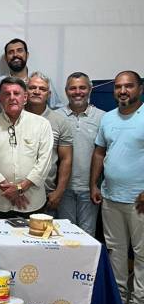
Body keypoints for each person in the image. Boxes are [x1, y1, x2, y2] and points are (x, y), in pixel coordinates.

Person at [90, 70, 144, 304]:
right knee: (116, 251)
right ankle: (119, 298)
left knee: (141, 253)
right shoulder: (108, 118)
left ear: (139, 89)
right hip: (111, 197)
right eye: (119, 87)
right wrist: (94, 184)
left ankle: (139, 302)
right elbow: (99, 153)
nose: (123, 91)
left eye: (128, 86)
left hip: (139, 200)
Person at [0, 77, 53, 218]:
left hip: (32, 201)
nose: (12, 97)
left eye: (16, 93)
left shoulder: (42, 124)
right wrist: (9, 191)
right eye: (7, 94)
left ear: (25, 98)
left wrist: (20, 188)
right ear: (0, 99)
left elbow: (45, 162)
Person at [57, 72, 104, 235]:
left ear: (90, 89)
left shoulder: (102, 117)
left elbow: (103, 154)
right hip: (63, 189)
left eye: (82, 88)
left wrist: (95, 185)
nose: (78, 92)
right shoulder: (56, 116)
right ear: (66, 91)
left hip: (90, 190)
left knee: (87, 236)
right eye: (73, 88)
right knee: (65, 235)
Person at [25, 72, 73, 216]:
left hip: (46, 193)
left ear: (49, 94)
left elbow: (66, 159)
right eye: (32, 87)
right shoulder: (14, 117)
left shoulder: (60, 122)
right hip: (14, 191)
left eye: (42, 89)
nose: (37, 91)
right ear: (25, 91)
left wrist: (59, 191)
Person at [0, 38, 64, 116]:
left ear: (27, 55)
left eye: (19, 51)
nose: (15, 55)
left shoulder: (42, 81)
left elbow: (57, 110)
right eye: (11, 52)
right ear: (6, 58)